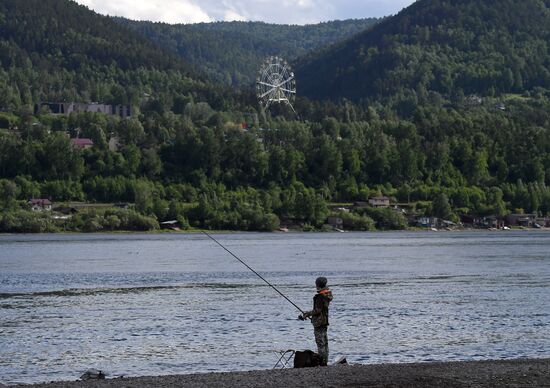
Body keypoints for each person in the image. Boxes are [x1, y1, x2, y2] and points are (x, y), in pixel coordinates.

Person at [299, 276, 333, 366]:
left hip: (319, 322)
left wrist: (307, 314)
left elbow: (318, 310)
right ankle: (325, 361)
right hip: (325, 321)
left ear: (318, 285)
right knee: (325, 342)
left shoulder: (320, 297)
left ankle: (322, 363)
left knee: (320, 343)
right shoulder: (327, 294)